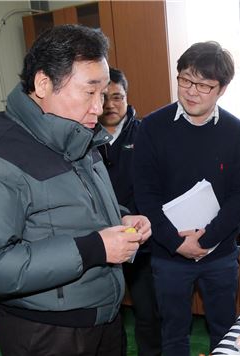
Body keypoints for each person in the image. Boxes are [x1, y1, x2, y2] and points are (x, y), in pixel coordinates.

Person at [0, 24, 152, 355]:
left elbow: (77, 212)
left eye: (103, 94)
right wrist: (95, 248)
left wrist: (125, 220)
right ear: (43, 84)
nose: (99, 108)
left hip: (106, 317)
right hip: (47, 333)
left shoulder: (80, 136)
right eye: (90, 92)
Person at [133, 41, 240, 355]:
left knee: (225, 331)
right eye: (185, 80)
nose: (191, 91)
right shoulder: (151, 128)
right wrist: (176, 243)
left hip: (220, 254)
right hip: (168, 255)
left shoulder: (236, 132)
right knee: (172, 335)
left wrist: (206, 239)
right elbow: (145, 194)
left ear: (222, 88)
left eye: (203, 85)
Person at [98, 67, 162, 355]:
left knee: (148, 310)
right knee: (105, 313)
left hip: (140, 240)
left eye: (117, 97)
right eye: (104, 97)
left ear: (127, 97)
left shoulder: (146, 132)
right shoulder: (84, 136)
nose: (110, 105)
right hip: (99, 237)